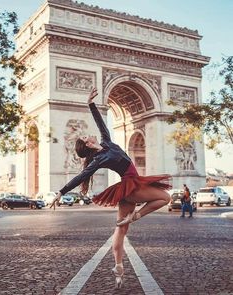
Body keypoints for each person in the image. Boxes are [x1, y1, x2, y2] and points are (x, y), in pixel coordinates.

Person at [50, 87, 172, 288]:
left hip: (127, 189)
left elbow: (100, 122)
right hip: (131, 185)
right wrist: (61, 192)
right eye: (85, 138)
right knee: (165, 198)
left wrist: (90, 103)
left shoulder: (106, 141)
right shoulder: (98, 159)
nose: (89, 135)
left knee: (121, 230)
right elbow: (81, 176)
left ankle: (118, 267)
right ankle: (137, 216)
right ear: (88, 145)